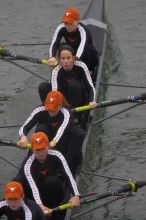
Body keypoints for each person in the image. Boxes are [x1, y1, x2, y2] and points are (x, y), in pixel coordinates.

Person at [14, 132, 80, 220]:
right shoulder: (27, 164)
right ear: (32, 149)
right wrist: (40, 205)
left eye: (43, 149)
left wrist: (76, 195)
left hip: (52, 190)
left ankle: (54, 213)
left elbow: (68, 175)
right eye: (37, 150)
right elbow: (33, 187)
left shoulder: (57, 155)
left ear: (48, 146)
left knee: (51, 181)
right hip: (35, 189)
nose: (41, 153)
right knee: (15, 183)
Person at [18, 90, 85, 176]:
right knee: (41, 128)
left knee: (79, 133)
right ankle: (33, 160)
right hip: (45, 143)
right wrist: (23, 136)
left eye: (53, 109)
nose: (50, 111)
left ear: (60, 106)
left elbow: (61, 130)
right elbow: (25, 126)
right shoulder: (39, 110)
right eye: (48, 108)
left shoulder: (67, 114)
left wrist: (53, 142)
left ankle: (67, 166)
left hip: (62, 141)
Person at [39, 44, 97, 128]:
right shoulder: (56, 70)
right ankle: (50, 115)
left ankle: (76, 118)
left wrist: (93, 101)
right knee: (43, 87)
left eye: (68, 58)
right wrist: (58, 107)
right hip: (64, 100)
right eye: (63, 59)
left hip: (80, 98)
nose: (66, 61)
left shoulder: (81, 66)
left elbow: (90, 87)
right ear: (59, 60)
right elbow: (55, 93)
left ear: (73, 58)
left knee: (74, 84)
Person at [48, 7, 99, 72]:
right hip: (73, 54)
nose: (67, 26)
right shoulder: (61, 27)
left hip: (90, 59)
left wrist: (74, 59)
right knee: (61, 45)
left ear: (77, 20)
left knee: (88, 50)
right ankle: (64, 69)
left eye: (70, 23)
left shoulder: (83, 31)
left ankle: (87, 72)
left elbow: (82, 47)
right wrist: (52, 57)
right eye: (66, 22)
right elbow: (54, 43)